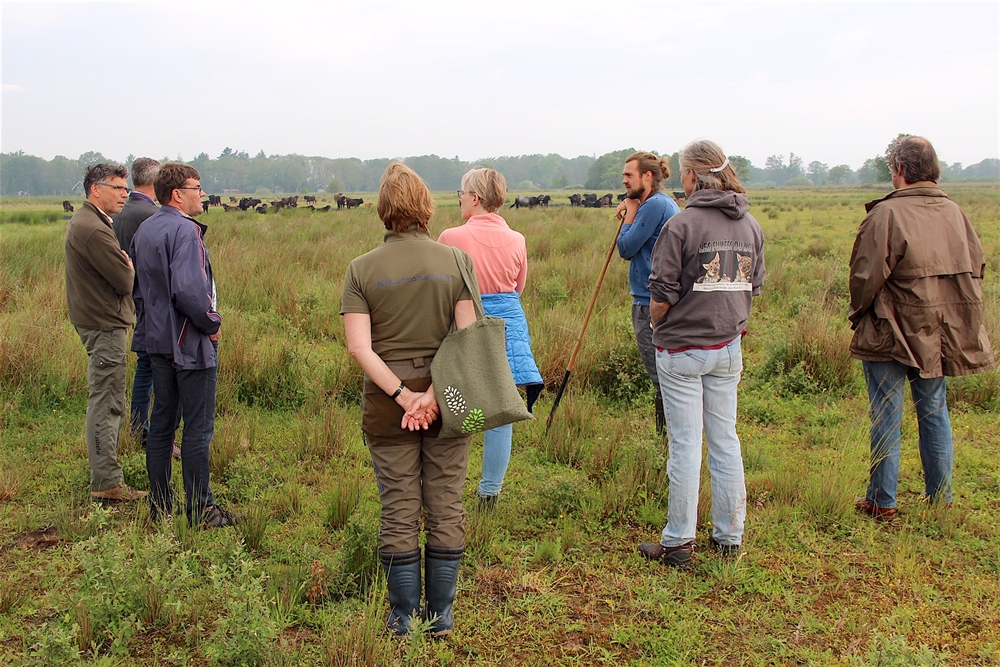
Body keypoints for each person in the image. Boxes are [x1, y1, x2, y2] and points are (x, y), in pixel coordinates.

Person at [341, 162, 477, 638]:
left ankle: (403, 616)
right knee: (446, 501)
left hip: (386, 403)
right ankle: (441, 613)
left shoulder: (361, 269)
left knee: (398, 504)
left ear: (383, 209)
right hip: (450, 398)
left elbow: (360, 347)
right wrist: (434, 395)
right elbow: (467, 338)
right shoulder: (456, 261)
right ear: (424, 207)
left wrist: (405, 397)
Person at [849, 136, 994, 521]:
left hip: (891, 328)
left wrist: (858, 314)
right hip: (942, 330)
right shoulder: (956, 213)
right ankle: (940, 498)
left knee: (886, 412)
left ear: (899, 169)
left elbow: (864, 278)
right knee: (933, 409)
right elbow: (977, 268)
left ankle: (883, 501)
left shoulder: (885, 215)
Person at [638, 140, 765, 566]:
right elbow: (754, 287)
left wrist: (659, 324)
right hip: (728, 348)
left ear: (692, 176)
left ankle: (677, 542)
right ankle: (729, 535)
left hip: (682, 350)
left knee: (686, 445)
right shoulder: (750, 225)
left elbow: (661, 293)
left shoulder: (683, 225)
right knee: (726, 440)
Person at [130, 163, 236, 528]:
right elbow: (190, 291)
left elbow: (138, 290)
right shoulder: (186, 232)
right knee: (197, 429)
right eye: (197, 187)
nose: (202, 194)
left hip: (156, 341)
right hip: (189, 343)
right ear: (177, 194)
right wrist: (212, 323)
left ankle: (160, 505)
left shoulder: (145, 229)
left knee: (161, 425)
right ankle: (201, 510)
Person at [438, 167, 543, 506]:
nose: (460, 199)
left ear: (475, 198)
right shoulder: (518, 239)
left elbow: (440, 291)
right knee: (499, 412)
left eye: (462, 193)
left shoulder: (451, 237)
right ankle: (490, 492)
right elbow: (519, 288)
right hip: (509, 327)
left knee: (453, 404)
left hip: (465, 323)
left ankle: (443, 487)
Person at [65, 163, 148, 504]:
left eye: (126, 188)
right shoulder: (94, 229)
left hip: (99, 319)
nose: (124, 194)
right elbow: (126, 280)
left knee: (108, 397)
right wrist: (128, 265)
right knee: (107, 401)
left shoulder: (92, 221)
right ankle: (106, 482)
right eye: (117, 187)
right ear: (95, 189)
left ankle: (106, 475)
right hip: (104, 323)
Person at [614, 152, 681, 434]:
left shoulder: (654, 206)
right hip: (663, 297)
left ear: (648, 176)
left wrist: (629, 216)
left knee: (661, 377)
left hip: (649, 300)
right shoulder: (661, 204)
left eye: (629, 175)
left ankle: (667, 441)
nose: (624, 180)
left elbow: (626, 248)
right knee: (667, 374)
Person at [111, 157, 165, 450]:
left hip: (126, 295)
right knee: (149, 363)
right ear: (155, 182)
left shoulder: (121, 210)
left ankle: (136, 424)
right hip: (147, 297)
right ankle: (141, 427)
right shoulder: (149, 214)